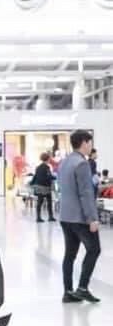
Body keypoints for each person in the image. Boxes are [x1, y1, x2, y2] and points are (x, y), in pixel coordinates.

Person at [59, 130, 101, 304]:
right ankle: (82, 288)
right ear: (84, 143)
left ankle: (68, 292)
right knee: (94, 249)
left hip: (65, 216)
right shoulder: (82, 164)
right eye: (90, 143)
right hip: (80, 217)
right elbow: (86, 193)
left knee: (69, 254)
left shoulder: (65, 162)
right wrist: (92, 218)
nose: (91, 146)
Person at [31, 152, 56, 222]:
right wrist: (55, 177)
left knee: (39, 202)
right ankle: (50, 217)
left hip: (38, 186)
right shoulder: (47, 167)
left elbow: (35, 176)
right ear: (47, 159)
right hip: (45, 187)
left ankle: (38, 217)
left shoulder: (38, 167)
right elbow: (49, 176)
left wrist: (32, 183)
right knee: (49, 201)